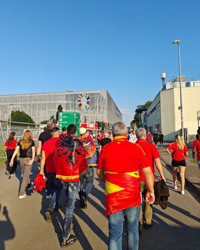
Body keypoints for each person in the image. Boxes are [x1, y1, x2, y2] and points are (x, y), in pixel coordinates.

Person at [97, 122, 155, 250]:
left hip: (113, 199)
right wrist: (150, 191)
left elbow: (99, 173)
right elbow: (148, 171)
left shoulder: (106, 149)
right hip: (132, 197)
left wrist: (108, 180)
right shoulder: (136, 148)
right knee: (132, 231)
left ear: (112, 134)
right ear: (127, 134)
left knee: (115, 234)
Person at [54, 124, 88, 247]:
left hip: (63, 175)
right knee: (70, 206)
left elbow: (56, 158)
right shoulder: (78, 143)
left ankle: (69, 223)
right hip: (73, 177)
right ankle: (66, 236)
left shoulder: (60, 143)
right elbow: (82, 159)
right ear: (76, 132)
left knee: (68, 199)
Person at [135, 128, 166, 233]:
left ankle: (138, 221)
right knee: (149, 199)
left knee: (137, 201)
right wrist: (162, 175)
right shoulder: (151, 146)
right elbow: (157, 161)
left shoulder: (133, 146)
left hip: (136, 178)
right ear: (144, 136)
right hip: (149, 178)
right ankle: (147, 221)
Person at [39, 127, 63, 221]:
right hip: (59, 169)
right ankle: (51, 207)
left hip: (49, 169)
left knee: (53, 187)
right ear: (59, 133)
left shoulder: (46, 143)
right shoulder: (61, 143)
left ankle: (56, 204)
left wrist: (41, 170)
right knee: (59, 188)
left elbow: (43, 158)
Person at [10, 130, 35, 199]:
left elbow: (16, 150)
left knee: (25, 174)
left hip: (21, 160)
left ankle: (29, 184)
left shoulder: (20, 141)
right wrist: (32, 159)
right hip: (28, 159)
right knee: (25, 177)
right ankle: (21, 193)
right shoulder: (31, 142)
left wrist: (12, 159)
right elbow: (33, 151)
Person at [78, 127, 99, 208]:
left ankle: (81, 197)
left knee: (80, 183)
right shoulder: (88, 141)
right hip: (88, 165)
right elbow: (94, 152)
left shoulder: (76, 141)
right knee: (89, 182)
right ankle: (84, 196)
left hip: (79, 166)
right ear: (86, 133)